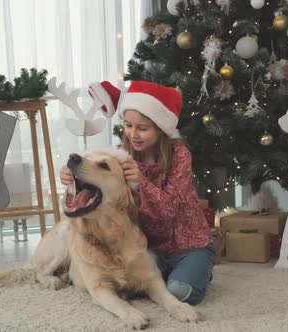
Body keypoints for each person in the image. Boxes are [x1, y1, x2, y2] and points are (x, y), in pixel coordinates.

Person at [60, 81, 214, 305]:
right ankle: (179, 273)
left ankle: (200, 267)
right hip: (150, 249)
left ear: (161, 129)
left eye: (142, 128)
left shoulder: (179, 155)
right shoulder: (123, 155)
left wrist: (142, 182)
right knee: (128, 286)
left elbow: (169, 210)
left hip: (189, 246)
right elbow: (98, 182)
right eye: (128, 126)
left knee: (181, 293)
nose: (133, 134)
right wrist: (73, 177)